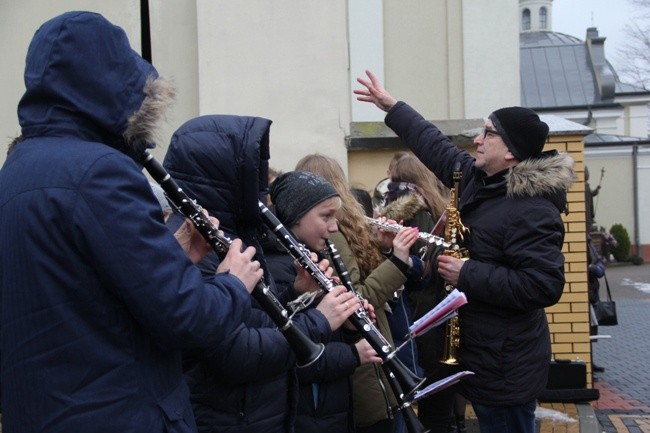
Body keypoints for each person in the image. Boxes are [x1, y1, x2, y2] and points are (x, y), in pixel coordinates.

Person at [0, 11, 263, 433]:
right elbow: (185, 317)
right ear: (111, 83)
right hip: (120, 413)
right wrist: (233, 283)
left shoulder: (14, 172)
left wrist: (172, 251)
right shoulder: (100, 170)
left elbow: (76, 291)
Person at [355, 70, 575, 433]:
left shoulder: (533, 209)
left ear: (510, 150)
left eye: (488, 132)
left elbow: (542, 285)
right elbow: (433, 144)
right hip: (483, 353)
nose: (477, 139)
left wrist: (466, 274)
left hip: (507, 364)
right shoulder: (477, 178)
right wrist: (392, 107)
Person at [161, 115, 361, 433]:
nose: (260, 187)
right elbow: (235, 354)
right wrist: (319, 321)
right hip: (225, 419)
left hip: (254, 415)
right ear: (227, 174)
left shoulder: (232, 238)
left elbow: (255, 318)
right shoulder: (196, 247)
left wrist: (296, 293)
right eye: (250, 171)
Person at [294, 153, 421, 433]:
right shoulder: (333, 236)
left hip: (372, 360)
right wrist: (398, 260)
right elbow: (358, 297)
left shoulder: (346, 230)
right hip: (363, 367)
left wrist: (385, 249)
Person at [264, 170, 381, 433]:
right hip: (308, 415)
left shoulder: (312, 257)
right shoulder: (279, 270)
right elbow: (289, 359)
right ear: (295, 218)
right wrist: (353, 354)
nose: (334, 227)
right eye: (325, 216)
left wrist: (350, 330)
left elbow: (324, 335)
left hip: (328, 409)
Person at [376, 152, 458, 433]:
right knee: (437, 407)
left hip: (416, 317)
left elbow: (420, 270)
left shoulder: (412, 212)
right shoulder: (437, 208)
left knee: (424, 405)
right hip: (438, 314)